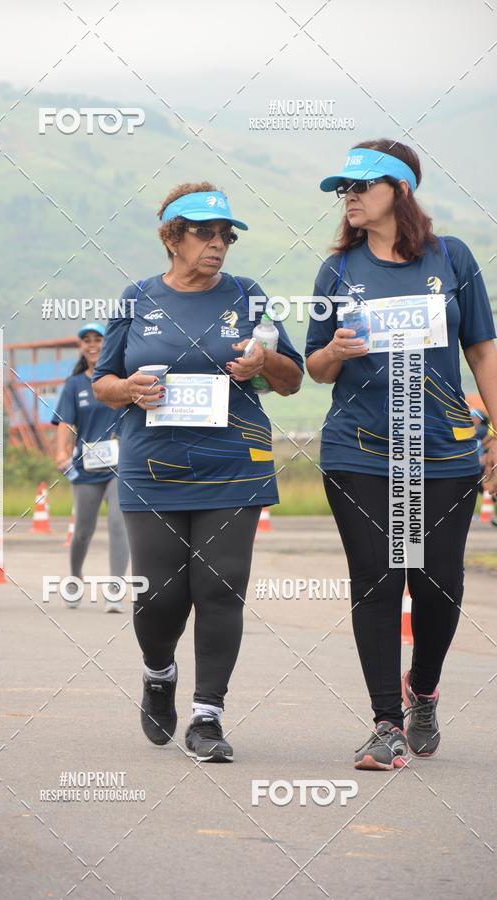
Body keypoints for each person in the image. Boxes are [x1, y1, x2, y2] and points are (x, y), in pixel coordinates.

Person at [93, 182, 303, 762]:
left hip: (234, 463)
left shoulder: (248, 295)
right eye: (203, 233)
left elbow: (291, 380)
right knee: (160, 594)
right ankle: (159, 672)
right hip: (153, 465)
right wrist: (128, 389)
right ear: (172, 237)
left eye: (225, 236)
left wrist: (265, 362)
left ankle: (207, 716)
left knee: (220, 587)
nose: (217, 245)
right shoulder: (137, 298)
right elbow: (103, 382)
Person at [306, 140, 497, 769]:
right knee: (378, 582)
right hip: (359, 449)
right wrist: (336, 350)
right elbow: (315, 368)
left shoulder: (454, 258)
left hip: (441, 452)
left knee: (437, 584)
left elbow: (483, 353)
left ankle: (423, 690)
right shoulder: (337, 270)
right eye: (345, 190)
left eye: (362, 186)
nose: (350, 197)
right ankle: (386, 722)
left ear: (401, 190)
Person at [53, 323, 129, 613]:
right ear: (81, 347)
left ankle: (115, 589)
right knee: (83, 530)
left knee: (118, 523)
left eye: (99, 339)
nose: (93, 344)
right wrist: (62, 452)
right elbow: (64, 422)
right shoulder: (74, 385)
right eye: (87, 340)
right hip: (86, 467)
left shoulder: (121, 377)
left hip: (120, 465)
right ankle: (74, 577)